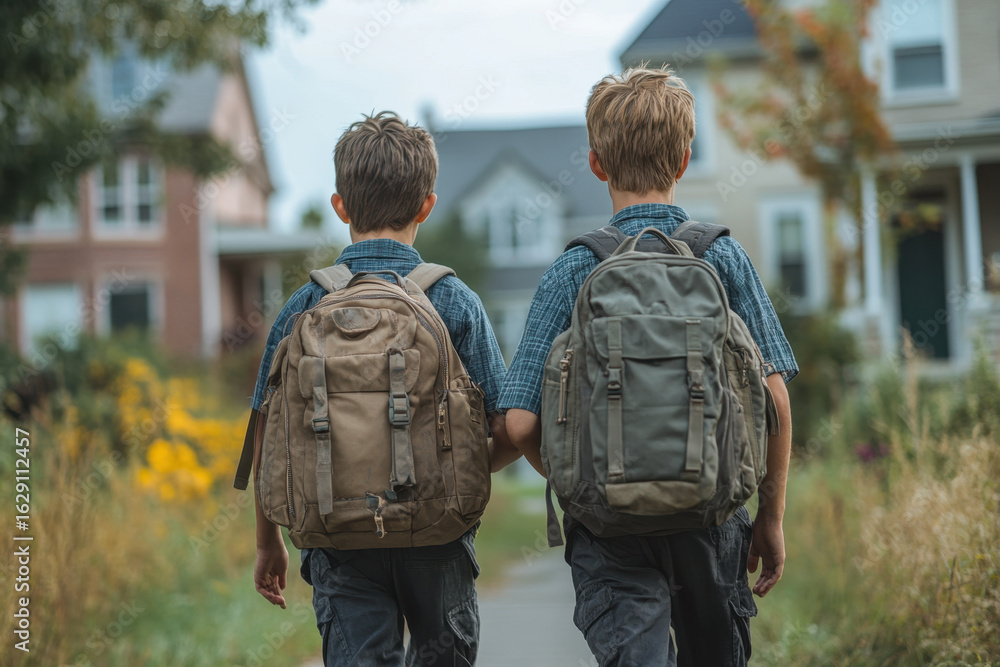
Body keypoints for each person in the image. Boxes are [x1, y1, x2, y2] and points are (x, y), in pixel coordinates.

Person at [497, 67, 798, 666]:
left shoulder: (573, 270)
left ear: (596, 164)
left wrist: (583, 483)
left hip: (610, 533)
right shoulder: (721, 256)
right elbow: (776, 402)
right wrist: (770, 517)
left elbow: (520, 425)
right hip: (709, 521)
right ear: (685, 160)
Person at [249, 111, 516, 666]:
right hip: (437, 538)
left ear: (340, 206)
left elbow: (265, 431)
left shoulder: (306, 304)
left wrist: (267, 541)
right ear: (427, 205)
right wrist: (454, 472)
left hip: (337, 537)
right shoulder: (452, 300)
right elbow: (507, 427)